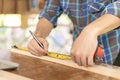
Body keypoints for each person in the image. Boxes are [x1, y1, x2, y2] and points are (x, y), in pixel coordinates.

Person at [27, 0, 120, 67]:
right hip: (80, 58)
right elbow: (49, 14)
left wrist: (90, 31)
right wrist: (38, 36)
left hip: (116, 55)